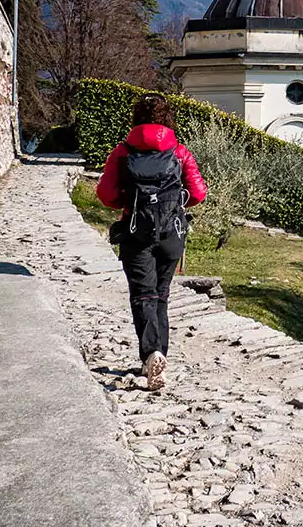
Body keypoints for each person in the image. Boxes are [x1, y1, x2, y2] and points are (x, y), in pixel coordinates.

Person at [96, 93, 206, 391]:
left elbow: (105, 195)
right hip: (172, 233)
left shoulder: (122, 151)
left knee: (143, 294)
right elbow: (197, 193)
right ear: (167, 119)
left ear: (136, 119)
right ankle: (159, 356)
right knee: (161, 294)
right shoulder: (180, 152)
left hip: (135, 231)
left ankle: (151, 354)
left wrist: (131, 202)